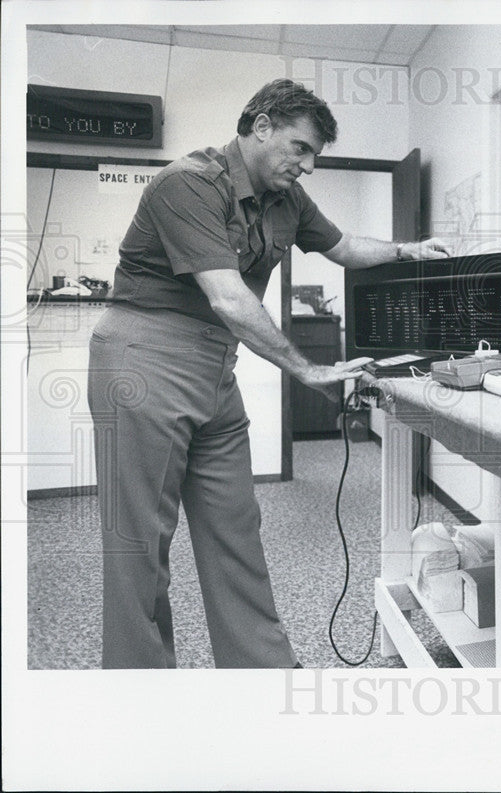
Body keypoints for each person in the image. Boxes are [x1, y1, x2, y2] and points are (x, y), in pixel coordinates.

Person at [87, 79, 450, 668]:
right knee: (138, 546)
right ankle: (140, 696)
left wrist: (409, 251)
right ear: (261, 126)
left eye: (314, 156)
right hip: (144, 356)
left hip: (214, 366)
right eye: (300, 149)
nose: (307, 166)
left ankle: (262, 676)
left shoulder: (288, 200)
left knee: (236, 529)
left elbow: (346, 245)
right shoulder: (189, 182)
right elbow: (229, 298)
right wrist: (307, 369)